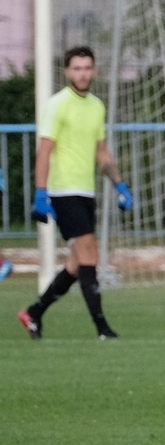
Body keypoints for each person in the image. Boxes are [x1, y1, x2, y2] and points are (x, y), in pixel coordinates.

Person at [17, 46, 132, 341]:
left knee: (76, 263)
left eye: (87, 68)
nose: (82, 74)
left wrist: (120, 185)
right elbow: (45, 151)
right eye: (77, 68)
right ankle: (102, 329)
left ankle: (34, 312)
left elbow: (101, 153)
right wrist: (41, 193)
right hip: (62, 191)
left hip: (85, 191)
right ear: (67, 72)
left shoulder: (97, 106)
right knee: (89, 251)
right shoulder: (57, 104)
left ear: (94, 71)